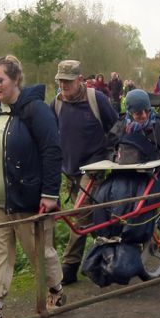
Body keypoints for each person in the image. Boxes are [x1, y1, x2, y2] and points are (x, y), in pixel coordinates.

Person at [0, 55, 65, 318]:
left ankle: (56, 291)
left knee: (38, 252)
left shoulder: (36, 110)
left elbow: (51, 151)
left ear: (16, 79)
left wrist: (50, 193)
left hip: (27, 198)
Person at [51, 60, 118, 285]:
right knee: (88, 219)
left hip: (95, 167)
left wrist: (111, 157)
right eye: (60, 81)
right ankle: (110, 250)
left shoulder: (96, 99)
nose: (64, 85)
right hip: (69, 170)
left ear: (80, 80)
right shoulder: (57, 104)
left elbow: (115, 127)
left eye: (68, 81)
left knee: (80, 215)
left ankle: (68, 267)